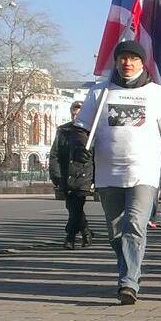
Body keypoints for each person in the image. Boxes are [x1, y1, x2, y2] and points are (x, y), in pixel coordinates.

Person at [67, 40, 161, 305]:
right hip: (108, 173)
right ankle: (129, 267)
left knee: (135, 225)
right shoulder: (100, 92)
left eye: (133, 59)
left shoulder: (157, 94)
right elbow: (80, 129)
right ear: (116, 61)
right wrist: (79, 147)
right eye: (123, 58)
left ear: (142, 62)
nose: (128, 63)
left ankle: (128, 282)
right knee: (116, 233)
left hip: (143, 172)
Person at [49, 100, 94, 250]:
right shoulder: (63, 130)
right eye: (74, 114)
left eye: (79, 114)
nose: (76, 117)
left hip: (83, 176)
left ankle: (69, 237)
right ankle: (86, 232)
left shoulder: (91, 131)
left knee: (76, 205)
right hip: (66, 175)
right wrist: (55, 175)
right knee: (73, 207)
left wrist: (95, 178)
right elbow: (54, 154)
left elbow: (95, 156)